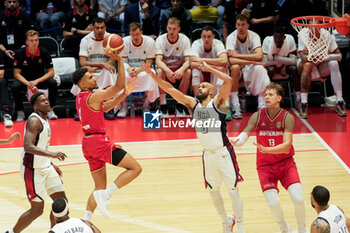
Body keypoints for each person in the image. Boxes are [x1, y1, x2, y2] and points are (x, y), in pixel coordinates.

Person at [142, 61, 245, 233]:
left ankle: (241, 226)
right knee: (213, 193)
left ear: (212, 91)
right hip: (207, 155)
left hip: (224, 153)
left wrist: (208, 68)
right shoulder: (192, 104)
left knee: (233, 191)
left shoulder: (218, 103)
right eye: (199, 86)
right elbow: (170, 89)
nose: (200, 88)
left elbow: (228, 81)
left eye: (204, 86)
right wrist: (152, 75)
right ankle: (226, 221)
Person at [71, 54, 142, 219]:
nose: (94, 79)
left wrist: (126, 93)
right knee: (135, 168)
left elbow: (107, 107)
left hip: (88, 144)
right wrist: (119, 61)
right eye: (90, 77)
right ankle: (108, 194)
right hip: (98, 142)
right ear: (82, 84)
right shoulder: (94, 96)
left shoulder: (81, 98)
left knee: (98, 187)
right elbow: (116, 86)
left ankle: (86, 220)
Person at [231, 82, 306, 233]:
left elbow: (286, 146)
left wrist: (268, 149)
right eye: (265, 94)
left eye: (270, 94)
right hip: (265, 167)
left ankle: (302, 229)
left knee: (298, 198)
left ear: (279, 98)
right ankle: (284, 228)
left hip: (286, 164)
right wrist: (233, 142)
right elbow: (244, 137)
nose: (266, 97)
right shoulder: (257, 116)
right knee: (273, 203)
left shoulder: (287, 117)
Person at [5, 92, 68, 233]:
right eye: (42, 101)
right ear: (35, 107)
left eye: (46, 100)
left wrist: (51, 163)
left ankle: (54, 231)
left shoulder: (45, 120)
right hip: (32, 169)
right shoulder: (34, 121)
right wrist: (52, 154)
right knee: (37, 210)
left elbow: (42, 146)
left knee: (62, 202)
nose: (46, 102)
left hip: (46, 166)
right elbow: (28, 146)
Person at [226, 13, 270, 119]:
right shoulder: (230, 37)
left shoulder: (254, 36)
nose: (240, 27)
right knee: (235, 67)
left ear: (248, 25)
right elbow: (231, 60)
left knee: (261, 68)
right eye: (238, 24)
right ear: (236, 25)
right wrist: (253, 60)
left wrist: (238, 56)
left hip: (250, 68)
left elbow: (259, 55)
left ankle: (262, 104)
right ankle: (235, 105)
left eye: (243, 24)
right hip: (240, 69)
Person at [297, 26, 347, 118]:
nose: (313, 36)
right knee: (307, 64)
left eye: (315, 33)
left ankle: (339, 101)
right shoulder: (303, 34)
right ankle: (304, 103)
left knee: (334, 63)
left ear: (320, 30)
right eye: (311, 33)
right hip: (306, 66)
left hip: (321, 66)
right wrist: (315, 57)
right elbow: (303, 57)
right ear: (308, 30)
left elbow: (339, 56)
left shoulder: (326, 34)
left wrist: (325, 57)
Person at [0, 0, 33, 126]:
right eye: (9, 2)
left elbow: (29, 36)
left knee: (17, 83)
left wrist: (20, 51)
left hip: (22, 52)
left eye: (14, 1)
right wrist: (5, 51)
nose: (12, 4)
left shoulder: (24, 16)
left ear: (18, 3)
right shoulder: (0, 16)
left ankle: (21, 111)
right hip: (3, 52)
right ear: (5, 3)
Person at [13, 30, 58, 121]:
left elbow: (51, 73)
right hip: (25, 81)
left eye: (36, 40)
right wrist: (28, 83)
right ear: (26, 42)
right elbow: (16, 74)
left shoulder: (44, 52)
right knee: (15, 86)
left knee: (52, 82)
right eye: (31, 40)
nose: (34, 43)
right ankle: (20, 112)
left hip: (39, 80)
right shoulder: (19, 53)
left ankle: (50, 110)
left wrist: (36, 81)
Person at [76, 17, 117, 120]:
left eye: (102, 28)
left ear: (105, 27)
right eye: (97, 28)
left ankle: (109, 107)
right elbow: (82, 62)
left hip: (102, 71)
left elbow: (111, 62)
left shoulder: (110, 39)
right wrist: (101, 65)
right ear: (92, 28)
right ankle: (82, 108)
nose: (100, 30)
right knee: (82, 73)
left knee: (109, 70)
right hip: (90, 70)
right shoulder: (85, 40)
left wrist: (101, 66)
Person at [117, 22, 159, 117]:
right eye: (133, 35)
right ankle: (123, 107)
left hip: (143, 70)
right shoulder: (124, 42)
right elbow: (122, 62)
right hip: (129, 69)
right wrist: (129, 70)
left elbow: (149, 63)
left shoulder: (149, 41)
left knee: (152, 74)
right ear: (129, 34)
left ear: (141, 32)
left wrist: (138, 70)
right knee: (120, 76)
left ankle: (146, 105)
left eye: (137, 34)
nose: (135, 37)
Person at [156, 17, 192, 118]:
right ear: (166, 28)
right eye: (170, 28)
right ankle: (163, 104)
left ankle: (180, 104)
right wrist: (167, 71)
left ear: (179, 29)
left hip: (178, 69)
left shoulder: (184, 39)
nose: (171, 31)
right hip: (166, 69)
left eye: (174, 29)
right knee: (159, 71)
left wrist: (181, 70)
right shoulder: (160, 39)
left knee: (188, 71)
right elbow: (158, 60)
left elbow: (188, 60)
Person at [262, 23, 300, 106]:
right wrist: (282, 61)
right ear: (273, 37)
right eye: (276, 39)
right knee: (270, 70)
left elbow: (294, 61)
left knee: (293, 68)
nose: (278, 41)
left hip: (285, 67)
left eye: (280, 38)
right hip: (272, 67)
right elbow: (265, 62)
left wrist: (277, 58)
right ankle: (267, 98)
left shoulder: (290, 39)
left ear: (284, 37)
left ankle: (298, 97)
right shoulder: (267, 41)